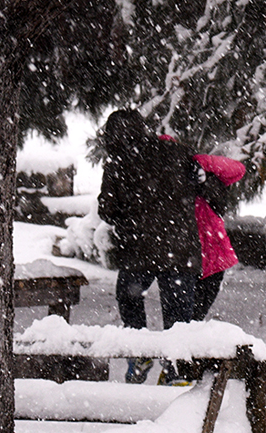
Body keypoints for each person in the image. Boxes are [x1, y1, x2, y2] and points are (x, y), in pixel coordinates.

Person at [97, 110, 202, 386]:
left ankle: (139, 349)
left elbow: (106, 210)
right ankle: (178, 369)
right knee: (179, 314)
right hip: (180, 248)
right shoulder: (176, 152)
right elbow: (203, 185)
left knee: (129, 297)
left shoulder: (117, 163)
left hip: (139, 250)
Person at [157, 135, 246, 320]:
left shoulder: (201, 174)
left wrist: (201, 162)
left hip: (208, 260)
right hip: (186, 261)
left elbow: (238, 170)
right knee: (183, 323)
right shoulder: (161, 185)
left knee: (189, 321)